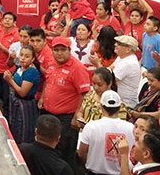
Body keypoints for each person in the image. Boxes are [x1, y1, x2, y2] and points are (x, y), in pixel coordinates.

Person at [38, 36, 91, 171]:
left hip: (66, 119)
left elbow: (84, 93)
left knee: (65, 154)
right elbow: (47, 81)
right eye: (56, 50)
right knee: (49, 152)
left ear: (69, 50)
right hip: (48, 114)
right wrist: (43, 97)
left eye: (63, 49)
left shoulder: (77, 68)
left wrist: (76, 115)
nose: (59, 53)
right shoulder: (51, 62)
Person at [78, 90, 135, 175]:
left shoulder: (91, 126)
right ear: (119, 108)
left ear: (101, 106)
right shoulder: (131, 128)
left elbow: (81, 153)